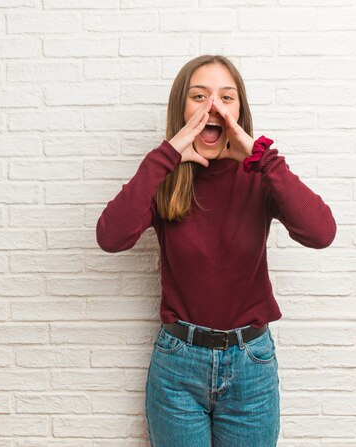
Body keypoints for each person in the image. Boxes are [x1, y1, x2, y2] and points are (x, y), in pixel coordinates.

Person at [95, 54, 337, 447]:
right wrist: (165, 158)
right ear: (181, 108)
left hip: (251, 368)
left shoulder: (260, 176)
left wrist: (264, 159)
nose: (213, 107)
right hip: (177, 368)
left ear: (239, 110)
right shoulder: (165, 179)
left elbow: (321, 232)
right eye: (199, 96)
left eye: (226, 97)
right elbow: (111, 237)